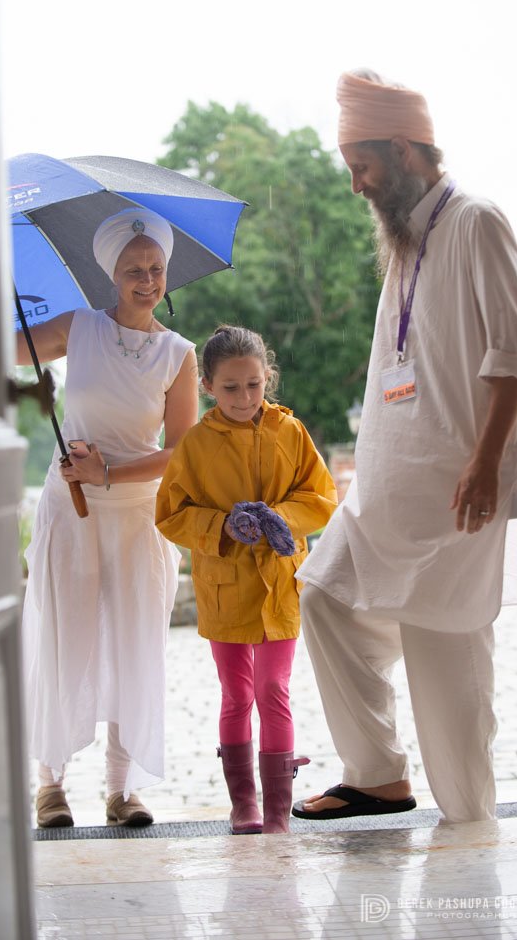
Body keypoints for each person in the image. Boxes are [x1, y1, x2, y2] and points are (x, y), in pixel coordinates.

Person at [292, 69, 517, 825]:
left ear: (405, 150)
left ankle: (470, 833)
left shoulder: (475, 221)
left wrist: (482, 467)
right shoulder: (406, 245)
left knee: (450, 692)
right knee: (326, 597)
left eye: (362, 167)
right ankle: (375, 774)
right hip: (387, 502)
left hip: (455, 499)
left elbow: (516, 353)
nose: (354, 186)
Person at [18, 207, 198, 828]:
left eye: (154, 269)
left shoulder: (179, 354)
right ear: (110, 275)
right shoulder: (79, 327)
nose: (146, 280)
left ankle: (122, 792)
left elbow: (181, 452)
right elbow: (8, 349)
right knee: (65, 635)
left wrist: (110, 474)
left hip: (136, 515)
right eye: (132, 270)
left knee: (134, 643)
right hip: (70, 511)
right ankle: (51, 786)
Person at [155, 326, 338, 833]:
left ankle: (279, 809)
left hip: (281, 583)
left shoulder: (291, 432)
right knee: (237, 694)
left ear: (267, 378)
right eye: (231, 387)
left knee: (273, 688)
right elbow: (170, 513)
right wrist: (223, 526)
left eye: (254, 385)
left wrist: (282, 517)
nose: (244, 397)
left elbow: (321, 496)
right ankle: (244, 804)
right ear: (209, 385)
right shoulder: (194, 445)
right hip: (226, 587)